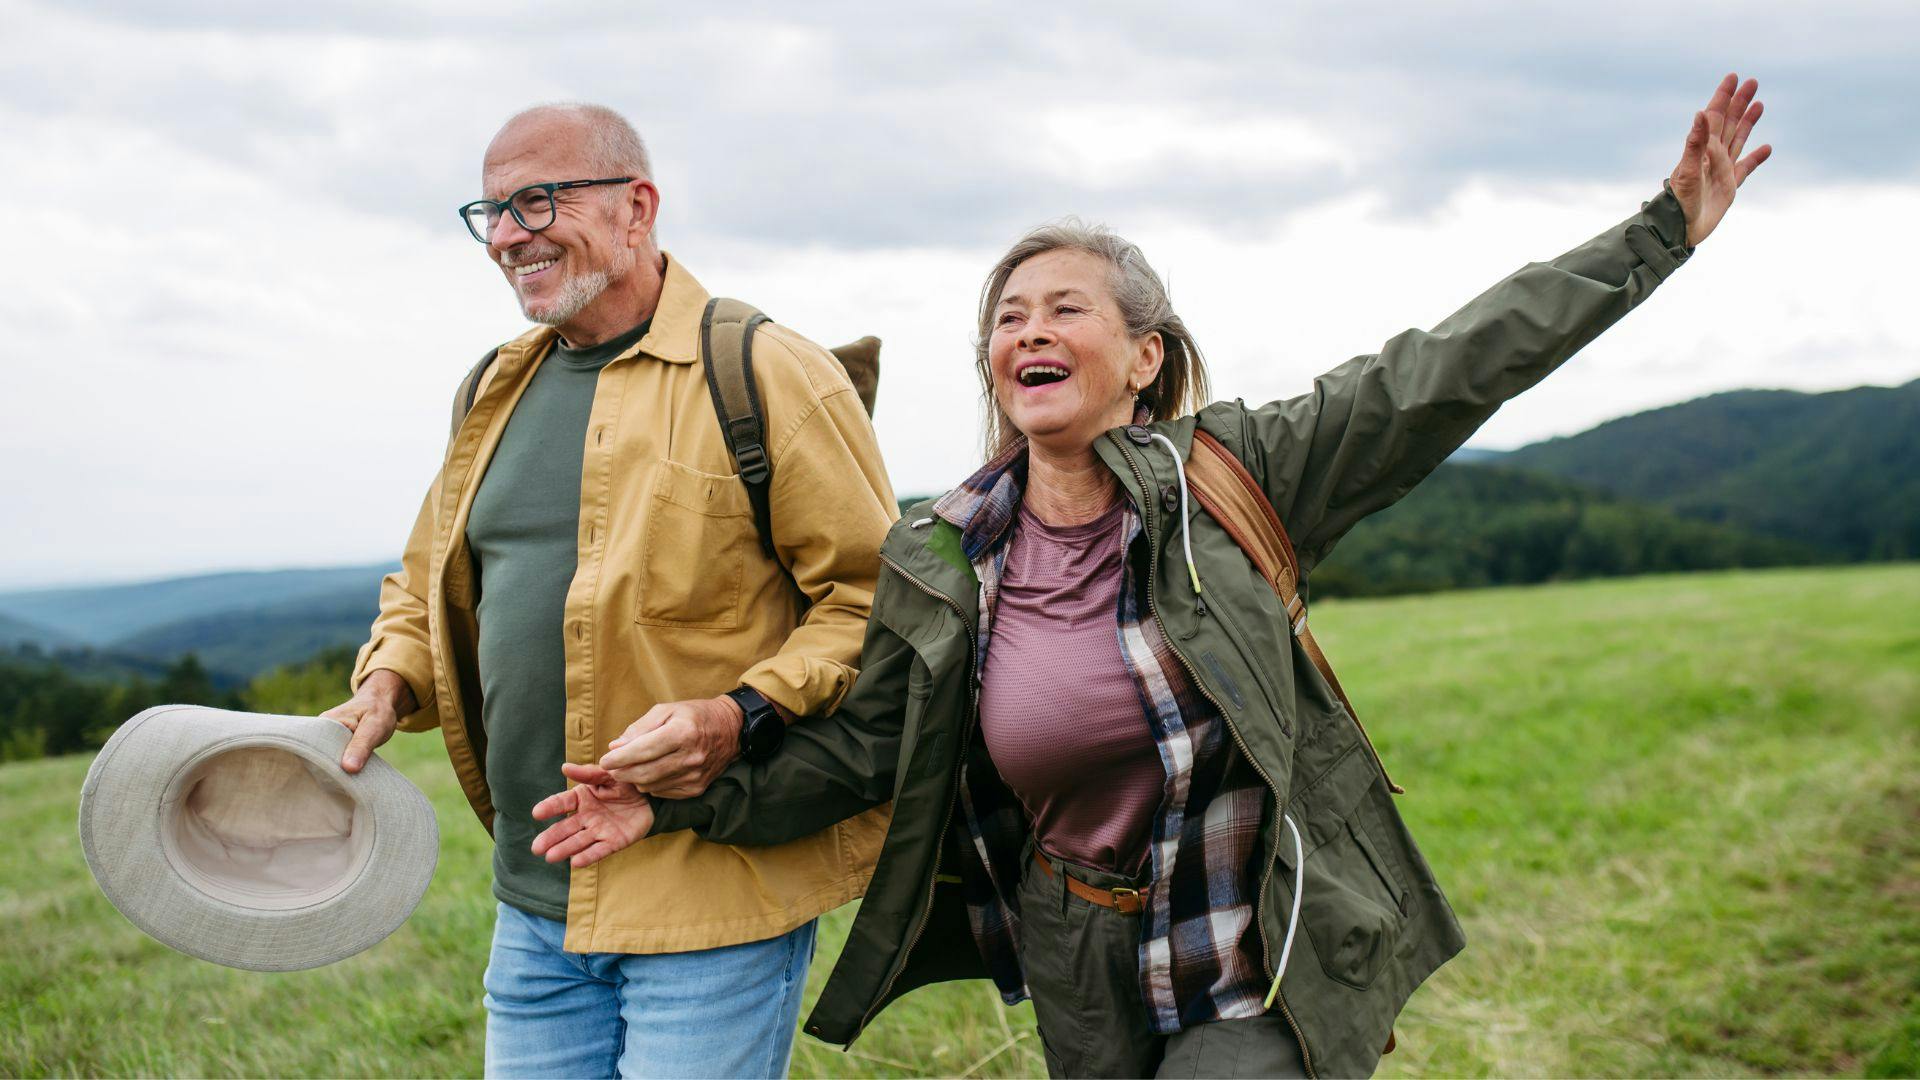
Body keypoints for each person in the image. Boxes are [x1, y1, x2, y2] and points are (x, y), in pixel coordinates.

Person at [529, 75, 1772, 1077]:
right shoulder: (946, 550)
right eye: (1007, 318)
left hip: (1251, 924)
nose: (1027, 333)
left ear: (1143, 357)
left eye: (1063, 310)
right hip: (1079, 946)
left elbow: (1445, 368)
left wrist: (1658, 233)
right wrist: (684, 803)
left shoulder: (1237, 474)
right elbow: (868, 751)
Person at [322, 102, 897, 1079]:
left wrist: (740, 712)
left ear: (638, 207)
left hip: (710, 901)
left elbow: (874, 602)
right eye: (491, 210)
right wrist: (391, 680)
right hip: (533, 908)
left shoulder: (766, 369)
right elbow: (426, 582)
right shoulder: (492, 389)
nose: (507, 235)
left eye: (538, 201)